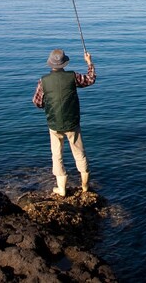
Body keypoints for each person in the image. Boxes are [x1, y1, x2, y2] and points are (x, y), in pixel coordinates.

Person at [32, 48, 97, 196]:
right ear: (64, 64)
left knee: (57, 155)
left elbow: (37, 102)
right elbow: (90, 79)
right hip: (72, 123)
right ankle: (85, 186)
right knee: (79, 153)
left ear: (51, 64)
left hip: (54, 124)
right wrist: (89, 62)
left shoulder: (43, 81)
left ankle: (61, 189)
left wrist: (49, 105)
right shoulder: (73, 76)